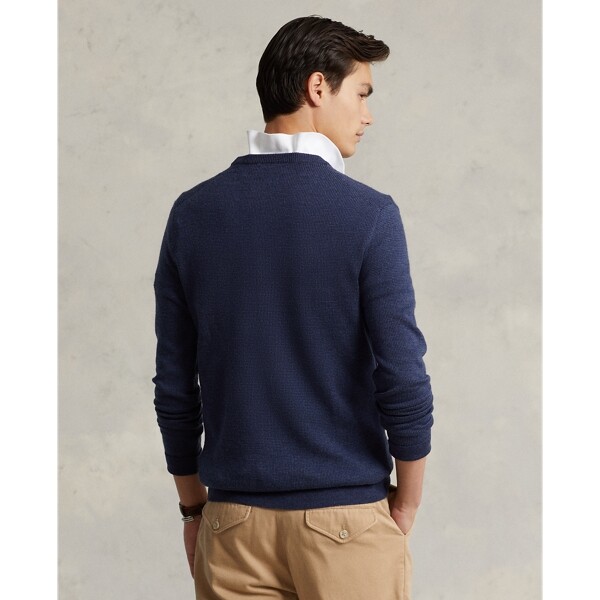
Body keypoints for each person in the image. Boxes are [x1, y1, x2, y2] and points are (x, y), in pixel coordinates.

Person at [152, 15, 434, 600]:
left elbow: (176, 386)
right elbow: (403, 377)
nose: (367, 115)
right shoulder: (369, 217)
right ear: (317, 87)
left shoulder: (193, 215)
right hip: (347, 523)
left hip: (232, 527)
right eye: (362, 93)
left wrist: (193, 510)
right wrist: (406, 503)